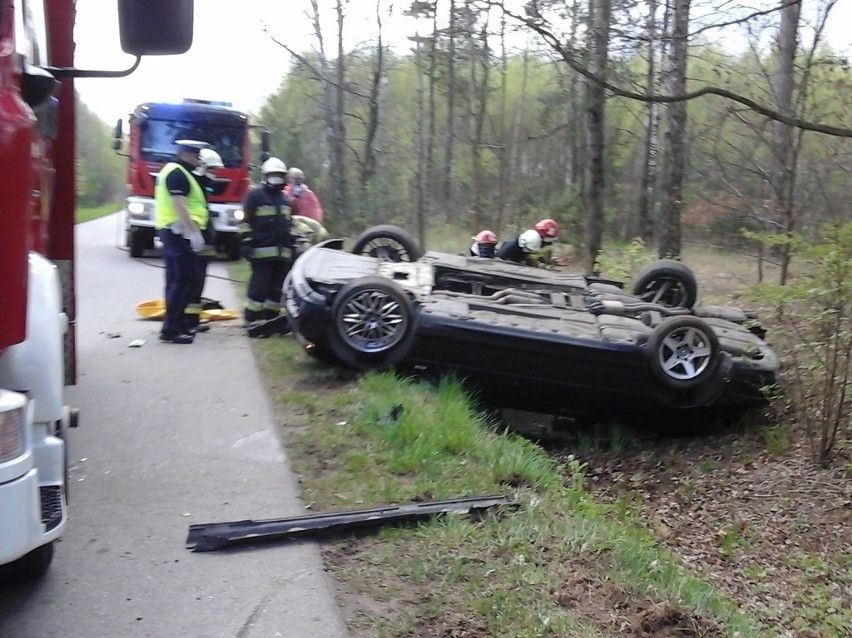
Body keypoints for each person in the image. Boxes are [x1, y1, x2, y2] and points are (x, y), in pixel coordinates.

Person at [154, 139, 210, 344]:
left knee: (177, 280)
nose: (198, 159)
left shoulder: (177, 171)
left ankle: (175, 325)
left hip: (176, 232)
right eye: (196, 155)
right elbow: (180, 206)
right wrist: (193, 233)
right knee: (182, 280)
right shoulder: (178, 173)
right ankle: (172, 329)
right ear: (185, 154)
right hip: (178, 233)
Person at [238, 157, 295, 332]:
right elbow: (244, 222)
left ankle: (271, 319)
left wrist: (292, 247)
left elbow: (288, 225)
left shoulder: (285, 200)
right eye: (273, 175)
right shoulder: (255, 196)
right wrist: (246, 243)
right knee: (259, 286)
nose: (277, 178)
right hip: (260, 253)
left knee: (277, 288)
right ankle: (252, 318)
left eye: (280, 175)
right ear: (265, 176)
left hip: (281, 254)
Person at [182, 148, 224, 334]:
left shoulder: (204, 185)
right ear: (202, 166)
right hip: (194, 237)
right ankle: (187, 321)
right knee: (191, 281)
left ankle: (193, 320)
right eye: (212, 169)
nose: (215, 174)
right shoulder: (194, 184)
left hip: (204, 237)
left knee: (199, 281)